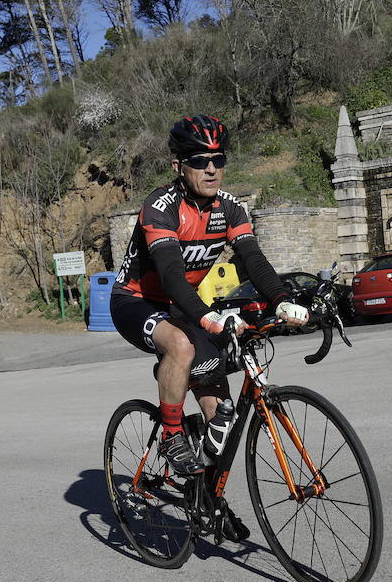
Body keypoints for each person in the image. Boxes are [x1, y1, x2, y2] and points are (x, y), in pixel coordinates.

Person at [111, 115, 310, 484]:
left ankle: (207, 500)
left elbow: (252, 260)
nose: (212, 169)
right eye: (200, 161)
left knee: (222, 416)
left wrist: (281, 300)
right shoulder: (161, 207)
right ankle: (171, 434)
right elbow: (171, 277)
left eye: (218, 160)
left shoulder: (230, 208)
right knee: (182, 346)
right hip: (136, 301)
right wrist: (207, 318)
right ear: (178, 166)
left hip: (181, 304)